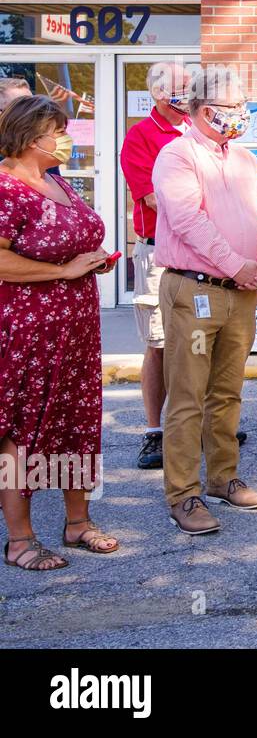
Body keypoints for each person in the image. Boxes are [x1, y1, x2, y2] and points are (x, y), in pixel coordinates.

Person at [152, 67, 257, 535]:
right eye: (235, 106)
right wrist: (237, 265)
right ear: (206, 110)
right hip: (196, 289)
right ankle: (183, 494)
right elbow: (189, 221)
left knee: (227, 392)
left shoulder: (242, 156)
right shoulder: (176, 155)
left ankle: (223, 477)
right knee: (187, 396)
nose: (242, 114)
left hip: (240, 290)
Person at [0, 94, 120, 569]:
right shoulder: (6, 187)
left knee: (76, 421)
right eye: (58, 131)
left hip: (76, 329)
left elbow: (68, 247)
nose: (65, 140)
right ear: (31, 137)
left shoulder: (54, 180)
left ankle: (77, 523)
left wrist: (89, 265)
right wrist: (63, 272)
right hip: (27, 328)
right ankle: (20, 539)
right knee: (23, 427)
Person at [119, 61, 191, 469]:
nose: (190, 93)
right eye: (183, 87)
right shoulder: (141, 136)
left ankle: (202, 423)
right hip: (159, 250)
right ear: (161, 94)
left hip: (202, 252)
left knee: (202, 340)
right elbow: (150, 197)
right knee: (160, 344)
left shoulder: (199, 130)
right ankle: (154, 431)